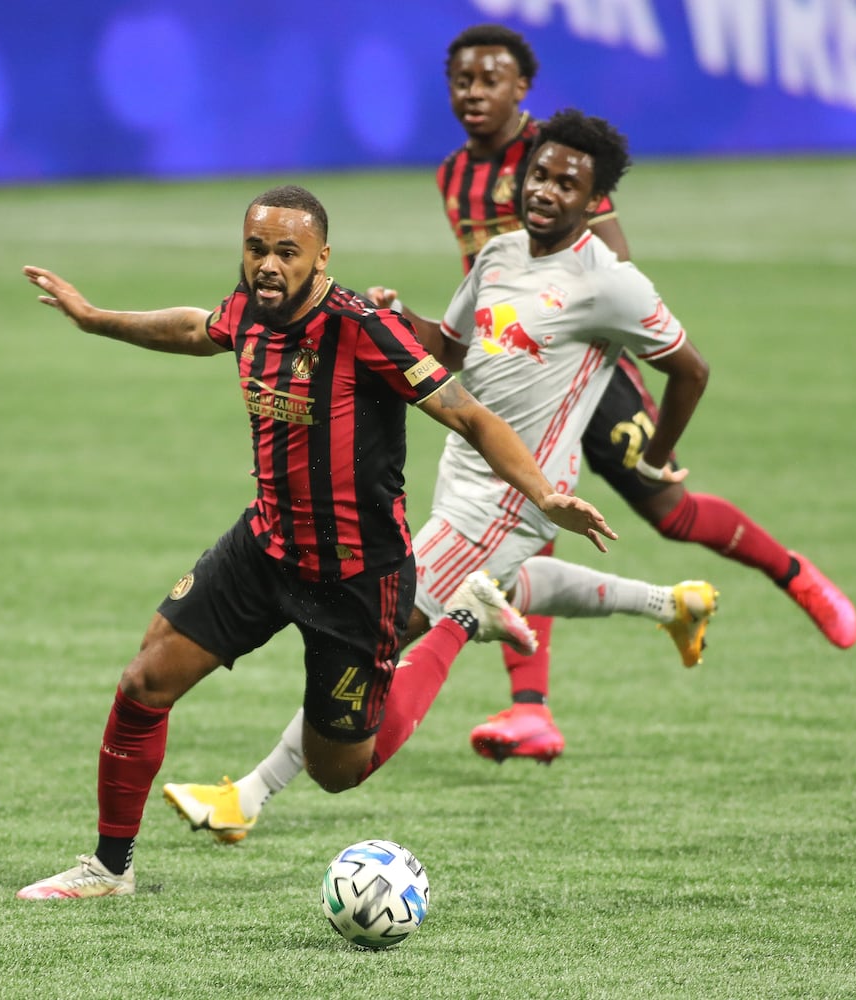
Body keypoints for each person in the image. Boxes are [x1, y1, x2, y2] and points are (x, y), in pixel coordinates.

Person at [14, 184, 617, 899]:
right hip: (264, 547)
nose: (267, 265)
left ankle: (460, 621)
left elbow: (471, 418)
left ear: (321, 257)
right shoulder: (249, 308)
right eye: (256, 248)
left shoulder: (363, 328)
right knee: (145, 680)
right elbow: (195, 328)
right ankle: (109, 869)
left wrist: (544, 493)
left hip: (357, 578)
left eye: (285, 253)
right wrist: (94, 319)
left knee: (339, 772)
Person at [161, 111, 724, 845]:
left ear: (595, 203)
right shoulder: (496, 255)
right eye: (540, 173)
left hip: (515, 492)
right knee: (503, 585)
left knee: (377, 635)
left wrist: (655, 454)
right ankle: (672, 604)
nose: (546, 189)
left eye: (568, 183)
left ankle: (249, 795)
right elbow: (448, 348)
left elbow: (689, 368)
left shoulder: (610, 283)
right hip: (462, 470)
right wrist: (399, 320)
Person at [440, 24, 856, 761]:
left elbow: (611, 266)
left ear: (521, 91)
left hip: (578, 368)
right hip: (509, 367)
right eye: (462, 80)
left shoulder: (557, 157)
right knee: (523, 521)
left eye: (490, 80)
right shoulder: (452, 175)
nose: (475, 93)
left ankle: (793, 575)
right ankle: (529, 710)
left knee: (665, 510)